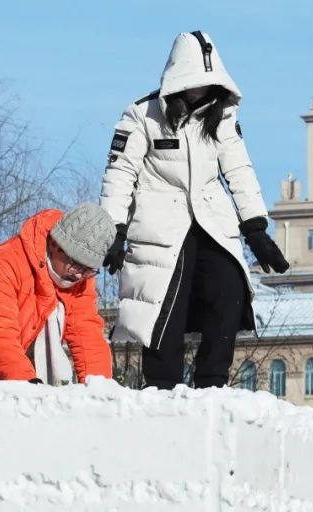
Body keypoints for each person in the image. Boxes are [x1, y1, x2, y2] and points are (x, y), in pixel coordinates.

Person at [99, 30, 289, 390]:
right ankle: (162, 388)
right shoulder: (141, 115)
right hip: (158, 223)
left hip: (211, 219)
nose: (201, 90)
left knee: (229, 286)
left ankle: (213, 385)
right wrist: (113, 229)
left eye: (208, 82)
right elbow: (120, 171)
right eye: (194, 82)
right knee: (164, 305)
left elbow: (238, 168)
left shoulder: (222, 117)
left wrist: (255, 228)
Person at [0, 204, 115, 385]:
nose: (78, 275)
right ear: (55, 244)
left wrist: (100, 387)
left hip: (30, 383)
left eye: (88, 270)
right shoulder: (5, 263)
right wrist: (27, 382)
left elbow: (87, 335)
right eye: (75, 263)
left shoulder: (81, 280)